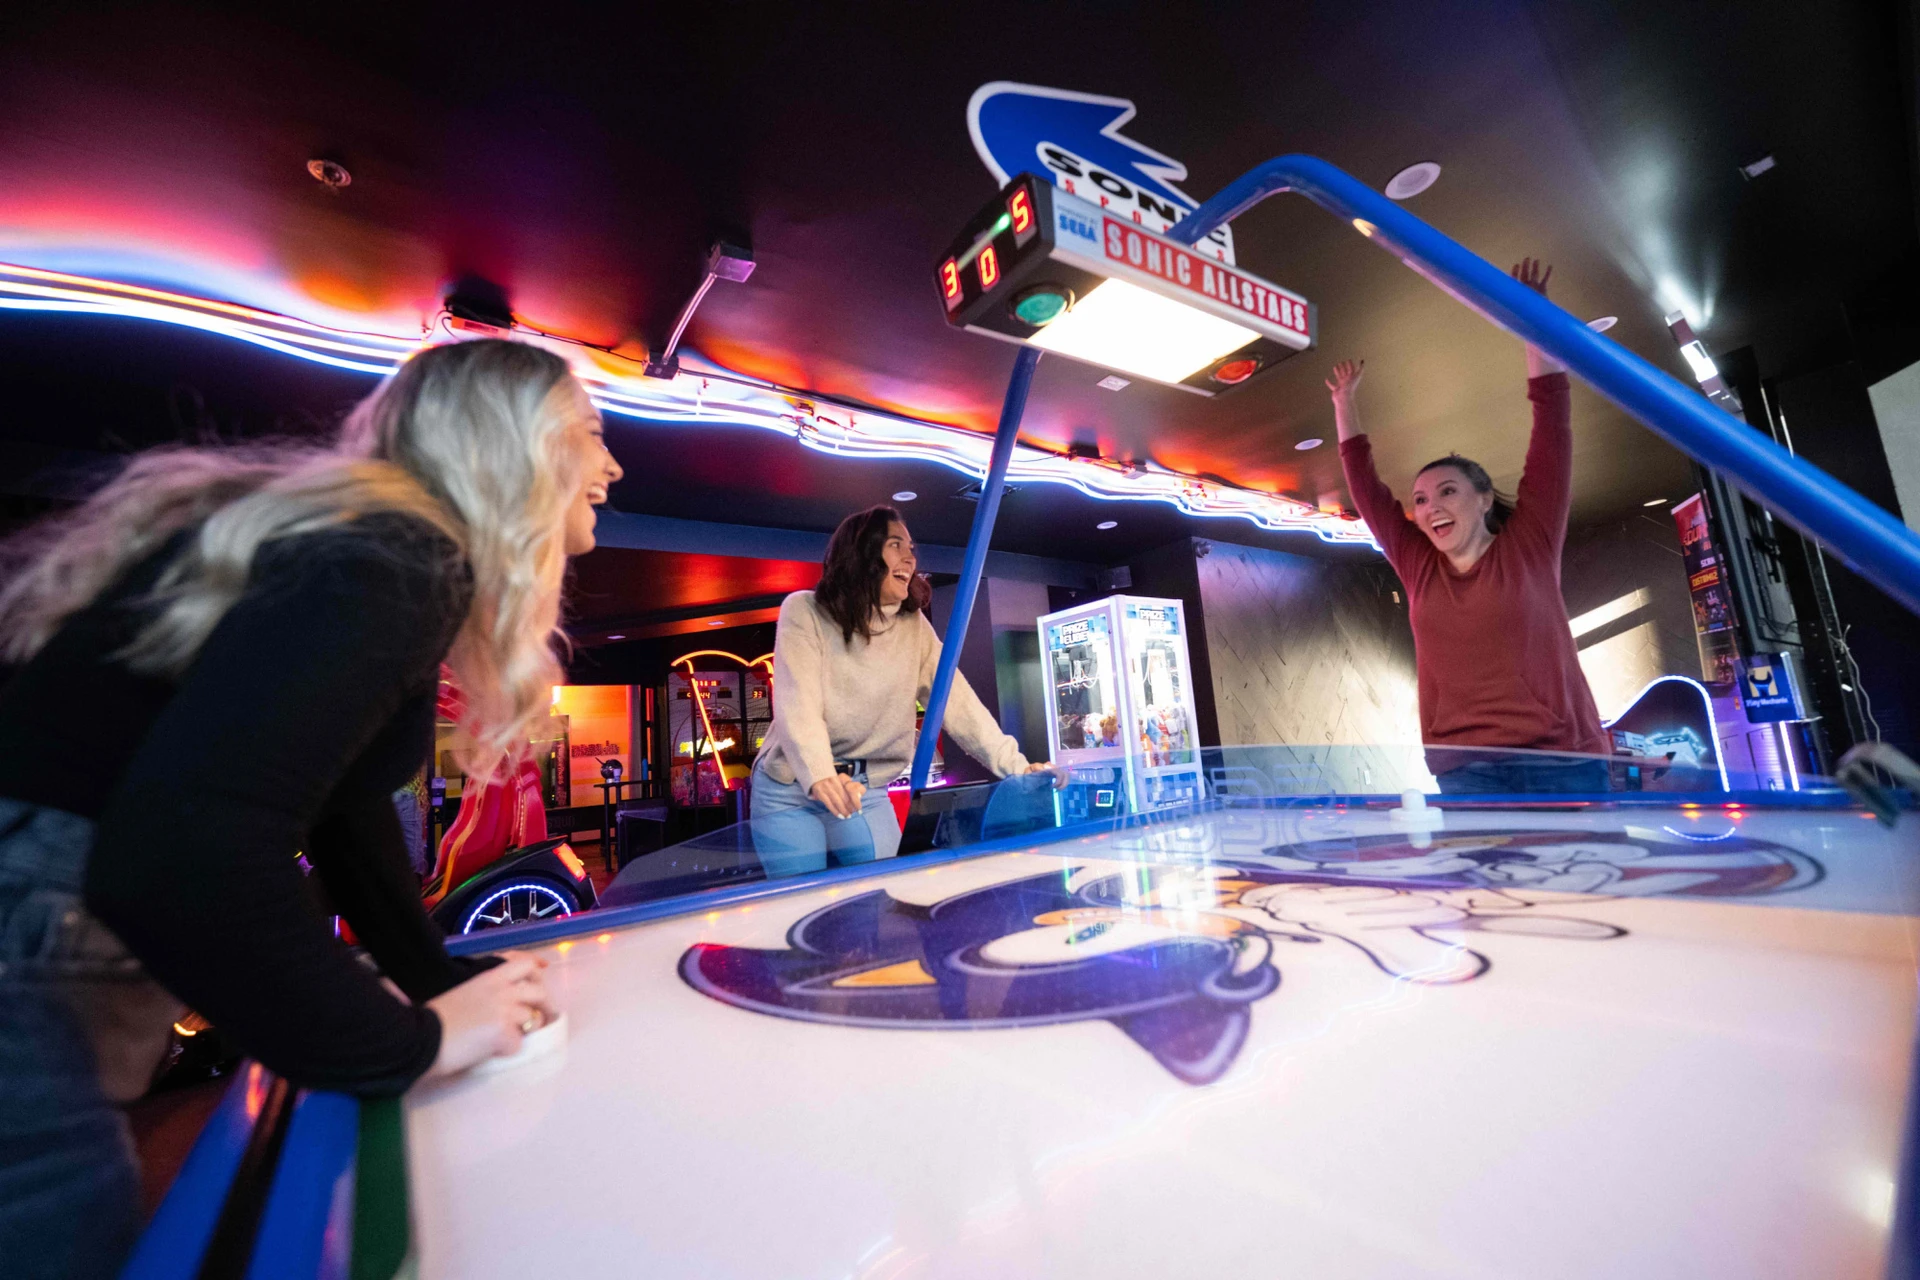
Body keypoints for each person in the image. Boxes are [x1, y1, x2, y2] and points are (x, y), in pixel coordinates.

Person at [0, 337, 623, 1278]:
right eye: (587, 432)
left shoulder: (374, 546)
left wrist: (432, 980)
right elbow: (182, 848)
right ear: (518, 445)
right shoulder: (398, 561)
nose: (610, 466)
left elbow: (346, 812)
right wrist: (410, 1045)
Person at [1327, 258, 1609, 794]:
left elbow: (1552, 428)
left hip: (1561, 759)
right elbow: (1368, 494)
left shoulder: (1530, 545)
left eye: (1447, 492)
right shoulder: (1419, 568)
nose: (1430, 507)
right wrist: (1345, 405)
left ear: (1483, 499)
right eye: (1420, 500)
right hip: (1467, 770)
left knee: (1573, 879)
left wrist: (1534, 317)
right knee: (1491, 883)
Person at [751, 505, 1048, 875]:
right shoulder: (805, 611)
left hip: (862, 789)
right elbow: (799, 704)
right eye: (896, 544)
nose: (910, 557)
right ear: (862, 554)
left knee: (888, 894)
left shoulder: (913, 627)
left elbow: (957, 702)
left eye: (911, 547)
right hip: (790, 785)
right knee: (801, 906)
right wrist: (820, 773)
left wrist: (1016, 767)